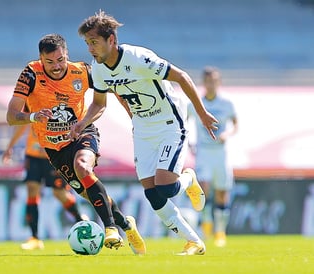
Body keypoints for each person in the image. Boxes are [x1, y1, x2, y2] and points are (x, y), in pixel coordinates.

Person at [73, 11, 218, 255]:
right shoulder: (98, 69)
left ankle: (189, 179)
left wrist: (202, 114)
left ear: (111, 40)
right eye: (87, 43)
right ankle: (193, 241)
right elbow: (99, 103)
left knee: (165, 186)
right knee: (152, 192)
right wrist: (83, 122)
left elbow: (181, 76)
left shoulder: (139, 57)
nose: (90, 48)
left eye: (94, 42)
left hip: (170, 122)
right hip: (142, 128)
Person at [6, 33, 146, 255]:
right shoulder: (31, 73)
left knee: (83, 167)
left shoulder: (82, 71)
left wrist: (130, 114)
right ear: (41, 58)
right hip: (54, 149)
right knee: (89, 193)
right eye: (50, 62)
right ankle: (127, 225)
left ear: (67, 54)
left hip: (81, 132)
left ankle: (110, 228)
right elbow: (12, 115)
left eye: (60, 60)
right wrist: (33, 117)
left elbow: (111, 91)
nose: (56, 66)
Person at [2, 124, 88, 250]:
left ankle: (80, 219)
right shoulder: (31, 104)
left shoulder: (60, 105)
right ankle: (34, 237)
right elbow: (21, 124)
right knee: (32, 189)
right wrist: (10, 146)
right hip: (33, 155)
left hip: (54, 155)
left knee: (59, 193)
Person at [188, 66, 238, 247]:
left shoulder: (227, 103)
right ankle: (207, 224)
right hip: (204, 153)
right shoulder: (195, 103)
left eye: (214, 81)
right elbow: (185, 123)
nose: (211, 84)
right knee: (204, 188)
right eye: (208, 81)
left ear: (219, 82)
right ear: (204, 83)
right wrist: (189, 142)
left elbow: (235, 125)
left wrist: (227, 134)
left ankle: (220, 232)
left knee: (222, 192)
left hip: (221, 154)